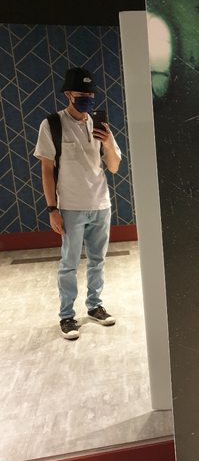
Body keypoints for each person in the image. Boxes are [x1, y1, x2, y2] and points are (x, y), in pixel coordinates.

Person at [34, 67, 121, 340]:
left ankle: (95, 306)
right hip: (70, 207)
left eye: (90, 94)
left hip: (101, 204)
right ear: (68, 94)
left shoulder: (100, 126)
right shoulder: (52, 125)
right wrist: (52, 209)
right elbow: (47, 170)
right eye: (81, 93)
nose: (87, 98)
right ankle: (67, 316)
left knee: (97, 261)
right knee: (69, 263)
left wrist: (108, 143)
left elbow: (114, 167)